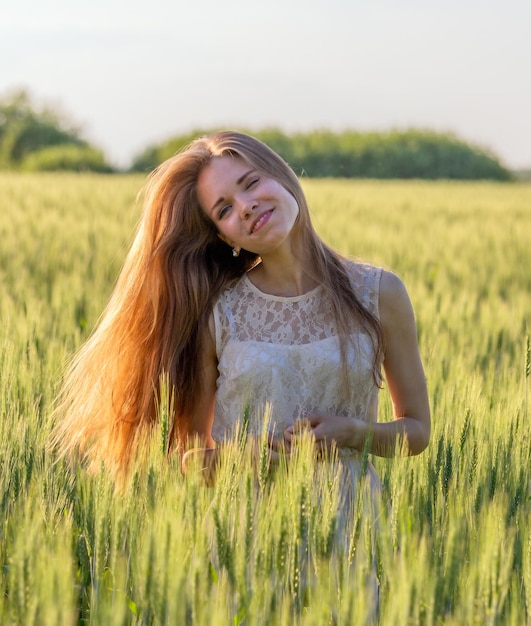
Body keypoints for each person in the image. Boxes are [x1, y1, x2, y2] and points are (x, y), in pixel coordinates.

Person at [52, 131, 430, 485]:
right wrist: (240, 459)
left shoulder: (379, 292)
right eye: (224, 210)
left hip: (354, 524)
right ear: (223, 236)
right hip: (250, 528)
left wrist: (352, 433)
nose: (246, 207)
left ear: (281, 175)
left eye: (250, 183)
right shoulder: (219, 313)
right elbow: (187, 457)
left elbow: (417, 431)